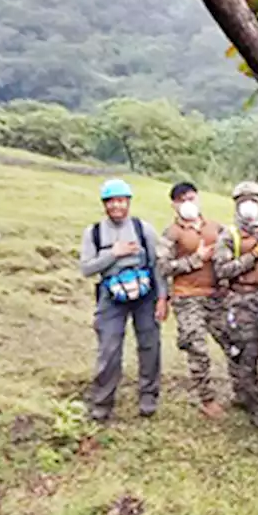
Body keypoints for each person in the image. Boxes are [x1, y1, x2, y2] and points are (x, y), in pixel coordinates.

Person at [78, 178, 166, 421]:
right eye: (111, 202)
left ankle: (149, 395)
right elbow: (86, 269)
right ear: (104, 204)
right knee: (109, 349)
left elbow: (157, 265)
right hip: (111, 295)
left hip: (145, 293)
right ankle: (102, 403)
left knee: (150, 345)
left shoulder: (142, 229)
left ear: (128, 202)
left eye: (121, 201)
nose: (117, 206)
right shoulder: (94, 233)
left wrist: (162, 297)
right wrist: (113, 254)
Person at [157, 181, 232, 419]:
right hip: (187, 297)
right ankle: (206, 398)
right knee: (197, 346)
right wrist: (195, 259)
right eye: (182, 200)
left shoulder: (216, 228)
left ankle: (245, 391)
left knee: (234, 343)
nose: (188, 203)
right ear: (174, 205)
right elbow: (162, 266)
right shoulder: (172, 233)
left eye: (191, 197)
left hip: (217, 296)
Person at [212, 180, 258, 428]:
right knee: (248, 353)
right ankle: (254, 404)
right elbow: (223, 269)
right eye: (244, 202)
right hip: (243, 299)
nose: (249, 207)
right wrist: (253, 256)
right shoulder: (229, 236)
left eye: (254, 201)